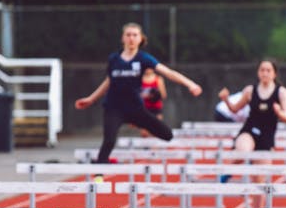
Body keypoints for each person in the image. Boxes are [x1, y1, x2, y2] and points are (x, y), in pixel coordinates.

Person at [76, 23, 202, 163]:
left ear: (140, 39)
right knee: (109, 141)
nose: (131, 38)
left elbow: (168, 73)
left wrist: (190, 84)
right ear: (122, 38)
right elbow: (108, 81)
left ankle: (134, 122)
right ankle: (99, 176)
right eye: (128, 35)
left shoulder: (144, 58)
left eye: (135, 35)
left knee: (167, 135)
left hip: (135, 108)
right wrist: (91, 99)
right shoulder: (114, 59)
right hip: (114, 108)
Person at [218, 59, 286, 208]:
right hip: (249, 130)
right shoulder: (250, 90)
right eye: (262, 70)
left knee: (260, 180)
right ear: (258, 72)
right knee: (243, 152)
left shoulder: (281, 92)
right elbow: (235, 109)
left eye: (268, 70)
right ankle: (228, 172)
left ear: (274, 73)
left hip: (266, 137)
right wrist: (226, 100)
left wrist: (279, 112)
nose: (265, 73)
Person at [138, 66, 166, 137]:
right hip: (144, 109)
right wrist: (145, 95)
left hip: (156, 109)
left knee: (156, 131)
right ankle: (146, 147)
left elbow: (163, 95)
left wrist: (154, 95)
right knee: (144, 133)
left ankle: (154, 147)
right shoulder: (139, 79)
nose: (148, 69)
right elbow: (136, 94)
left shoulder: (158, 79)